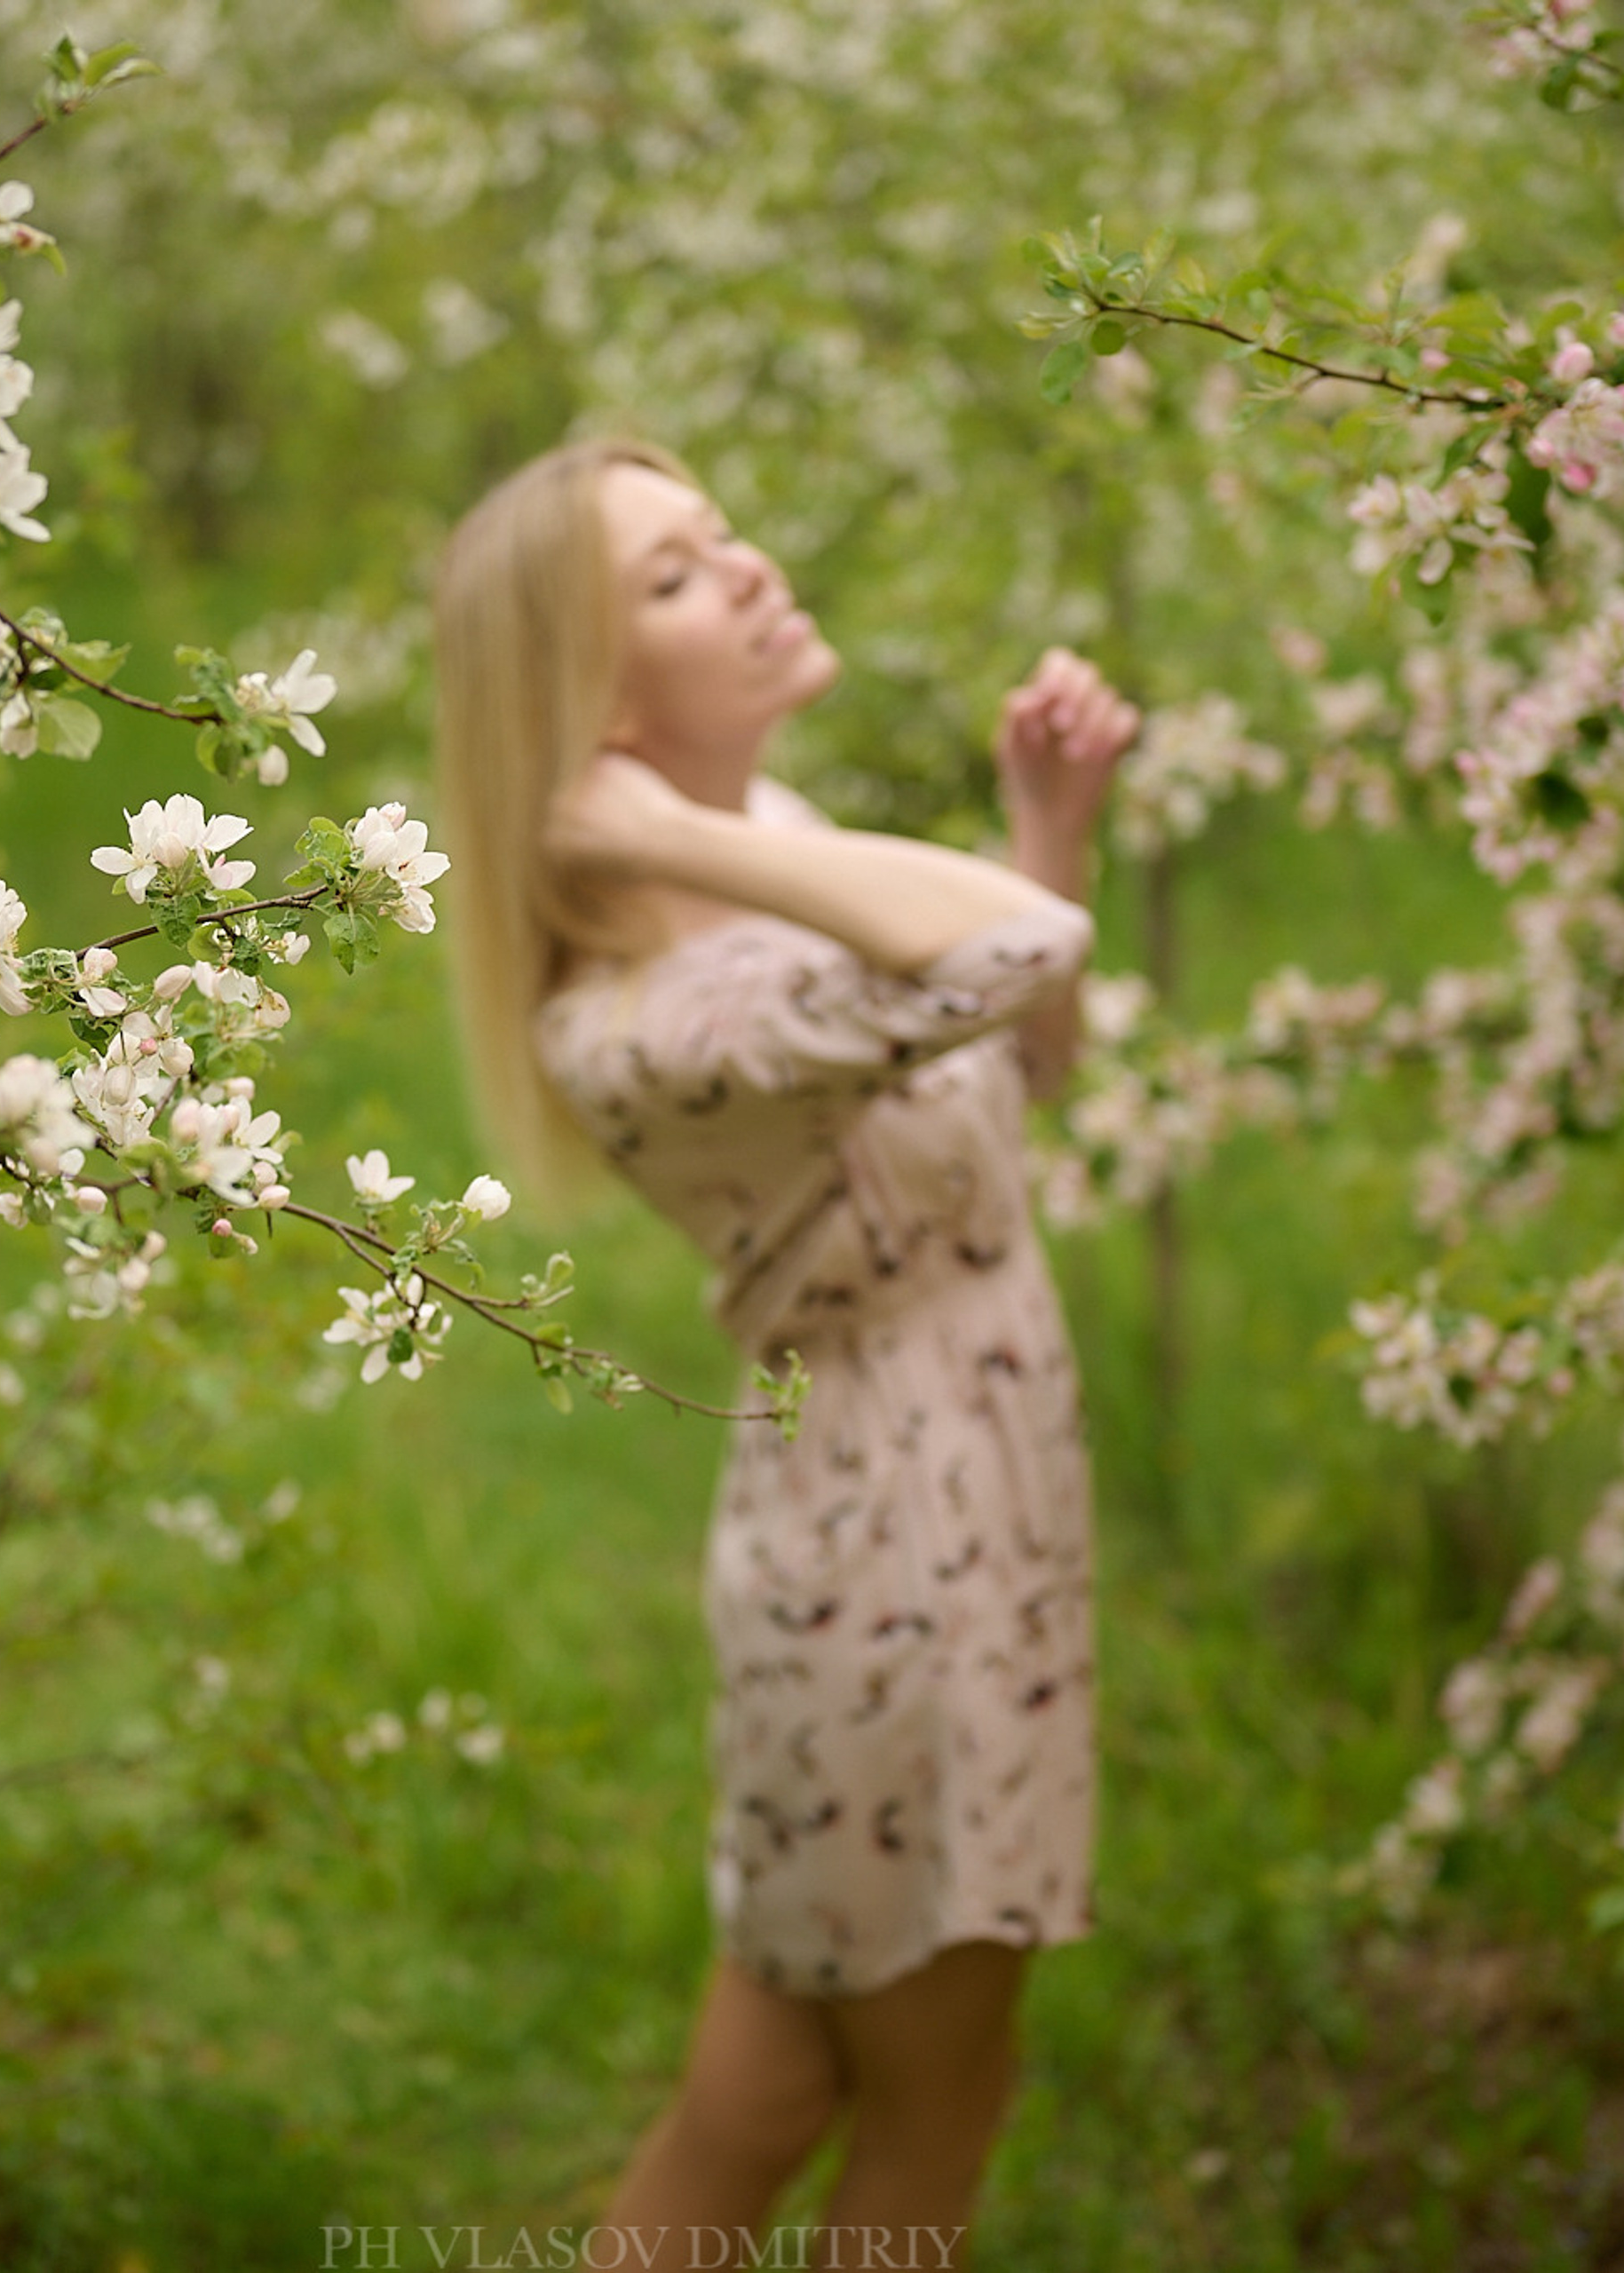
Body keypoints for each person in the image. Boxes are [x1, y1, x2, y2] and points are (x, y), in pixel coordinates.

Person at [432, 438, 1137, 2268]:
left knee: (756, 2097)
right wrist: (669, 835)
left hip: (917, 1528)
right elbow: (1011, 946)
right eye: (672, 576)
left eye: (720, 534)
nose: (744, 570)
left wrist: (1036, 812)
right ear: (584, 717)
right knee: (932, 2105)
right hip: (904, 1570)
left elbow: (1022, 1046)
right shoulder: (667, 1010)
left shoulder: (782, 864)